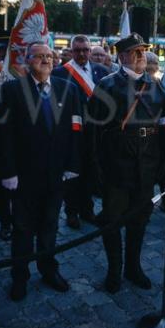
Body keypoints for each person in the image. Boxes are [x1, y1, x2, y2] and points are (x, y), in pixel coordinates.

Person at [0, 42, 82, 301]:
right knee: (22, 230)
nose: (46, 60)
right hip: (24, 176)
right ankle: (19, 277)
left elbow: (76, 130)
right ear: (27, 60)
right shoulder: (12, 90)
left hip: (56, 174)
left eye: (50, 55)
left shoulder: (68, 89)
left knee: (49, 226)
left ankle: (48, 270)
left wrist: (72, 165)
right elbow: (5, 134)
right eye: (39, 56)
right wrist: (8, 171)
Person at [87, 33, 165, 293]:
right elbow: (92, 131)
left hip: (146, 165)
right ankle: (114, 271)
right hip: (117, 165)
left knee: (139, 220)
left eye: (143, 51)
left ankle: (133, 267)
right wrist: (95, 169)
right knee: (112, 221)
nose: (140, 55)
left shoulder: (157, 87)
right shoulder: (107, 86)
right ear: (121, 56)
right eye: (135, 51)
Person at [51, 35, 110, 229]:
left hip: (97, 132)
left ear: (90, 50)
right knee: (73, 173)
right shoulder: (60, 72)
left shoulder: (102, 71)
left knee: (91, 172)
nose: (82, 54)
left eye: (85, 50)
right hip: (72, 132)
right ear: (71, 51)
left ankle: (87, 209)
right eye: (77, 50)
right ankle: (71, 212)